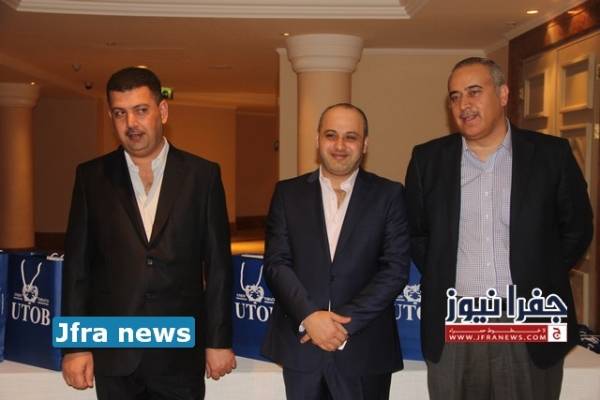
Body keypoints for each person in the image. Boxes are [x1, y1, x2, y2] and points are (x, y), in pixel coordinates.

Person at [405, 57, 593, 400]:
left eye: (474, 92)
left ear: (503, 94)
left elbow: (577, 228)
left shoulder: (551, 154)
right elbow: (417, 234)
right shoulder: (427, 160)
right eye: (455, 96)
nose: (463, 104)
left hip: (530, 318)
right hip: (456, 320)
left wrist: (541, 271)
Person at [61, 67, 236, 399]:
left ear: (163, 111)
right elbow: (76, 269)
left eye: (141, 110)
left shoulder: (202, 176)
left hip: (179, 353)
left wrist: (219, 340)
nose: (131, 123)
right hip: (114, 350)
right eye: (120, 113)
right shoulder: (90, 177)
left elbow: (218, 267)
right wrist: (74, 345)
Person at [262, 103, 410, 400]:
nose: (340, 145)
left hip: (364, 350)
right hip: (302, 347)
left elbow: (394, 270)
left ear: (365, 144)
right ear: (317, 140)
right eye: (331, 135)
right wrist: (310, 317)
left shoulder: (389, 195)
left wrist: (342, 324)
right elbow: (277, 263)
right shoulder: (287, 193)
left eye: (350, 137)